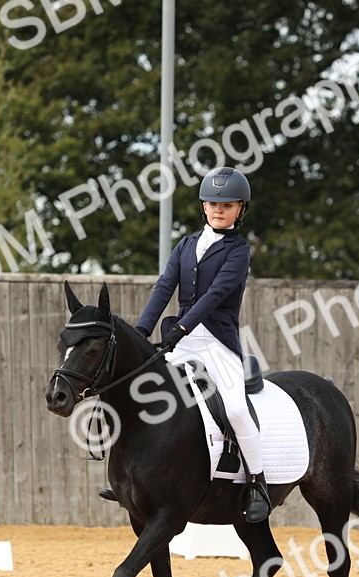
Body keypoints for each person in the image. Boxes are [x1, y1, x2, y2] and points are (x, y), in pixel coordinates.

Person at [100, 166, 271, 524]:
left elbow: (215, 295)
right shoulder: (187, 244)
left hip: (217, 344)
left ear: (241, 209)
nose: (218, 210)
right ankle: (130, 477)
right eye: (211, 203)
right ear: (203, 207)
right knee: (143, 394)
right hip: (179, 339)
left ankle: (257, 482)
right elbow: (165, 285)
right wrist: (143, 329)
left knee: (237, 410)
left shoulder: (239, 251)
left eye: (227, 205)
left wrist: (182, 325)